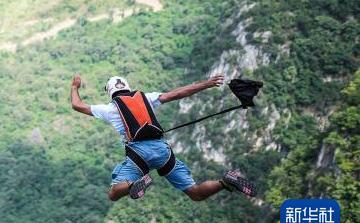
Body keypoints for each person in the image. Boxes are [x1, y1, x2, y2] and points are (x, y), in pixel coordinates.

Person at [69, 73, 256, 201]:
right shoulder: (146, 97)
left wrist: (75, 86)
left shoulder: (109, 109)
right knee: (196, 193)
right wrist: (206, 84)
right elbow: (178, 93)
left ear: (110, 92)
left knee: (113, 193)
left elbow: (77, 105)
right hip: (163, 151)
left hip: (138, 155)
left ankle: (134, 184)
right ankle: (225, 182)